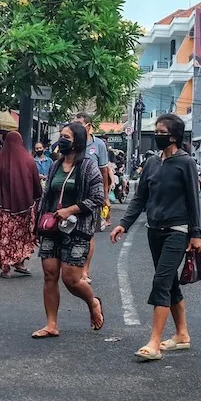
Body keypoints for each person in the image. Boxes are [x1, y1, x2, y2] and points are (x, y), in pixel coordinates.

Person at [111, 114, 201, 362]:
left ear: (173, 136)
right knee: (170, 281)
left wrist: (196, 234)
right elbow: (140, 198)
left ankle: (154, 342)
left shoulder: (186, 163)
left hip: (178, 230)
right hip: (154, 229)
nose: (157, 134)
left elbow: (193, 200)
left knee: (160, 282)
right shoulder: (152, 163)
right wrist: (124, 224)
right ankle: (182, 334)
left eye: (161, 131)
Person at [32, 122, 104, 339]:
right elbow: (47, 197)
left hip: (77, 228)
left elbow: (98, 197)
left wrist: (72, 209)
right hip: (51, 226)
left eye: (66, 137)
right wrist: (37, 224)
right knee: (49, 274)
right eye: (61, 136)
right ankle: (51, 324)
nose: (61, 140)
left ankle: (92, 302)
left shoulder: (88, 166)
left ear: (78, 142)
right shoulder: (55, 165)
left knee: (71, 279)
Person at [0, 131, 42, 278]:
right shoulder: (29, 160)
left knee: (5, 237)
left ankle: (6, 268)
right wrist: (37, 198)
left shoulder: (1, 161)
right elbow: (36, 183)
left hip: (3, 209)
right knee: (22, 236)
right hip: (25, 206)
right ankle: (20, 262)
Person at [73, 112, 112, 277]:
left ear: (88, 126)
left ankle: (85, 270)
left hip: (92, 195)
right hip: (73, 193)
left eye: (79, 124)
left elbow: (104, 171)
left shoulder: (99, 145)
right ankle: (72, 266)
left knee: (88, 233)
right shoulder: (73, 143)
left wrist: (105, 196)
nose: (76, 127)